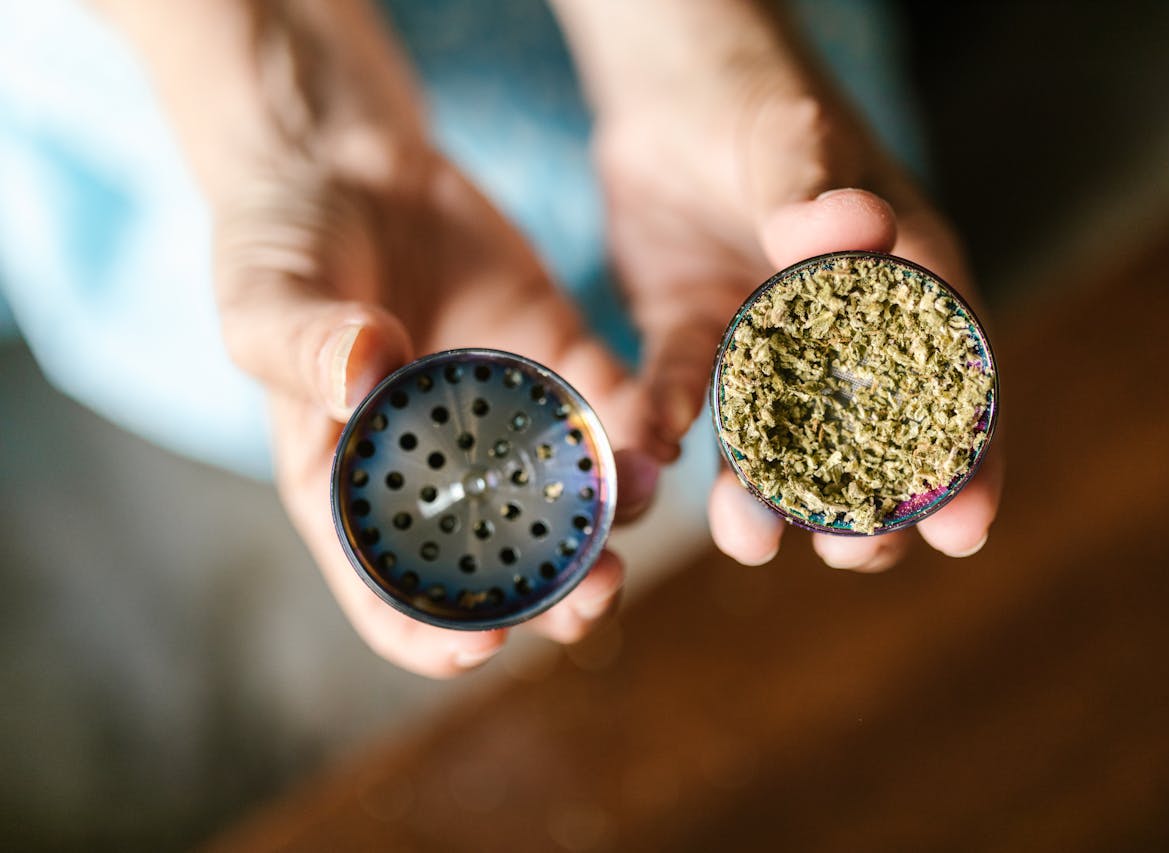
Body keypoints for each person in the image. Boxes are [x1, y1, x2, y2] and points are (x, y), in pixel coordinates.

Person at [0, 0, 1001, 677]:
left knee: (782, 232)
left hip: (694, 150)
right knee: (370, 342)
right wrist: (274, 86)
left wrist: (686, 32)